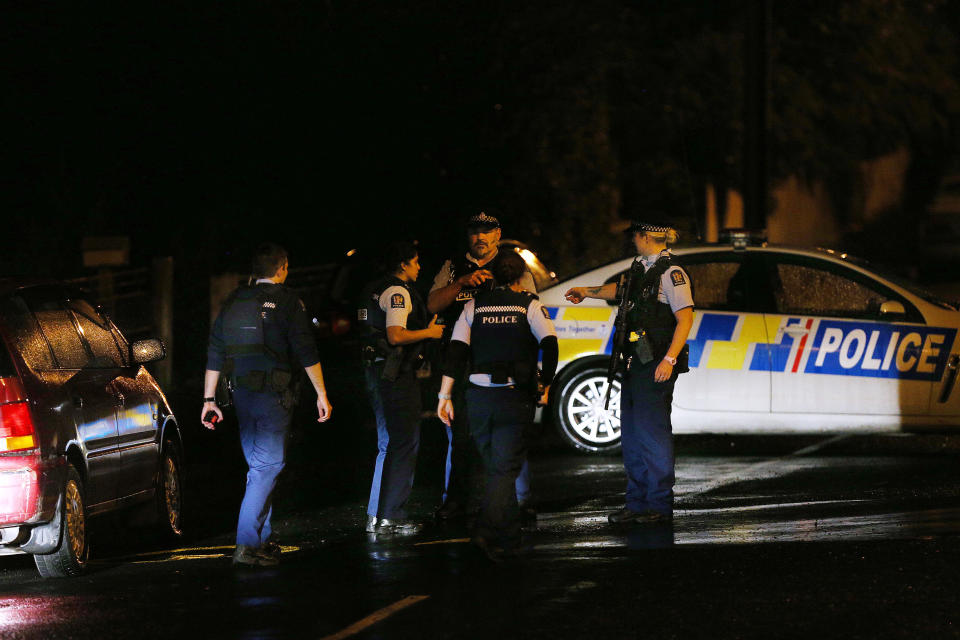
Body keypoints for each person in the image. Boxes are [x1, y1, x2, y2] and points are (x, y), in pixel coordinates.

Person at [202, 242, 333, 567]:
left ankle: (262, 538)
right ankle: (247, 545)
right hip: (274, 396)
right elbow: (306, 350)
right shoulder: (288, 302)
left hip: (241, 396)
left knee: (259, 468)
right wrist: (322, 393)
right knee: (268, 466)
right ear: (282, 267)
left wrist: (208, 399)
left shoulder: (233, 301)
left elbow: (215, 351)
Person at [564, 220, 694, 524]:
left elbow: (685, 318)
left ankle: (658, 506)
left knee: (653, 435)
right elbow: (622, 290)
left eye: (635, 236)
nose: (633, 241)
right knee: (634, 436)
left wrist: (670, 360)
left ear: (645, 236)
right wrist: (587, 292)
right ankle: (636, 504)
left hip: (656, 362)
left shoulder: (671, 273)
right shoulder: (641, 266)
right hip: (636, 358)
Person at [436, 250, 558, 561]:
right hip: (511, 395)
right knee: (505, 468)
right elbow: (550, 343)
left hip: (477, 397)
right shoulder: (529, 305)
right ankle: (485, 531)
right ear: (519, 279)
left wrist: (444, 396)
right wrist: (544, 381)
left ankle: (510, 537)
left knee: (495, 467)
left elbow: (456, 352)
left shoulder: (472, 307)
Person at [427, 211, 538, 524]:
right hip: (460, 361)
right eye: (475, 231)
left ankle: (522, 501)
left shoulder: (511, 266)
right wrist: (462, 282)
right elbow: (432, 305)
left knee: (510, 432)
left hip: (503, 359)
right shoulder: (452, 266)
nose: (480, 237)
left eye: (487, 231)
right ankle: (454, 501)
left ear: (498, 234)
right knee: (458, 434)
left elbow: (530, 308)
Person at [360, 240, 444, 535]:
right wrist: (430, 332)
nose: (420, 267)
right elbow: (395, 335)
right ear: (404, 264)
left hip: (377, 372)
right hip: (394, 375)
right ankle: (391, 516)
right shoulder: (397, 292)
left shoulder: (374, 287)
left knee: (387, 444)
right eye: (416, 261)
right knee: (404, 442)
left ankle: (376, 514)